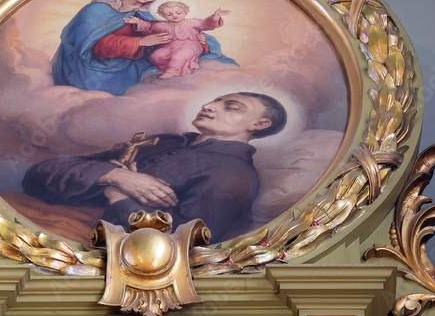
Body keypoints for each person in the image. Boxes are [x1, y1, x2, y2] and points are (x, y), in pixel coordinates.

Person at [22, 92, 287, 240]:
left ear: (259, 124)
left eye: (231, 107)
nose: (208, 105)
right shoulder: (161, 143)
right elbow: (40, 173)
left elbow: (184, 243)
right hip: (44, 221)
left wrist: (117, 195)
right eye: (214, 100)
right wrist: (113, 175)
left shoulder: (233, 175)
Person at [50, 0, 236, 95]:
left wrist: (201, 41)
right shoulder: (97, 11)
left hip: (134, 65)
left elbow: (171, 33)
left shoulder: (144, 15)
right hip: (94, 70)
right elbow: (90, 46)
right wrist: (141, 42)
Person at [124, 1, 231, 79]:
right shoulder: (161, 25)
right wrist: (138, 22)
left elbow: (207, 24)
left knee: (179, 56)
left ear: (186, 12)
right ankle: (166, 68)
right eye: (169, 14)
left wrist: (215, 17)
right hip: (170, 45)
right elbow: (149, 27)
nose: (174, 16)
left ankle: (173, 71)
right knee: (156, 55)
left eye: (178, 13)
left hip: (191, 44)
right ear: (162, 15)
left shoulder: (192, 22)